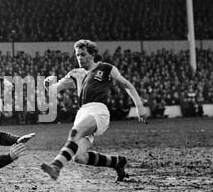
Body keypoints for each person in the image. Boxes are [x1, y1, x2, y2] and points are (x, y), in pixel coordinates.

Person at [40, 40, 147, 181]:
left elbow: (127, 85)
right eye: (77, 55)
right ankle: (117, 162)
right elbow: (54, 89)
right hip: (82, 113)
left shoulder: (106, 68)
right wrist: (47, 84)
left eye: (83, 54)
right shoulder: (75, 73)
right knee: (79, 157)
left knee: (75, 133)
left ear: (92, 54)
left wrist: (139, 107)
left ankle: (56, 166)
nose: (80, 58)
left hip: (98, 110)